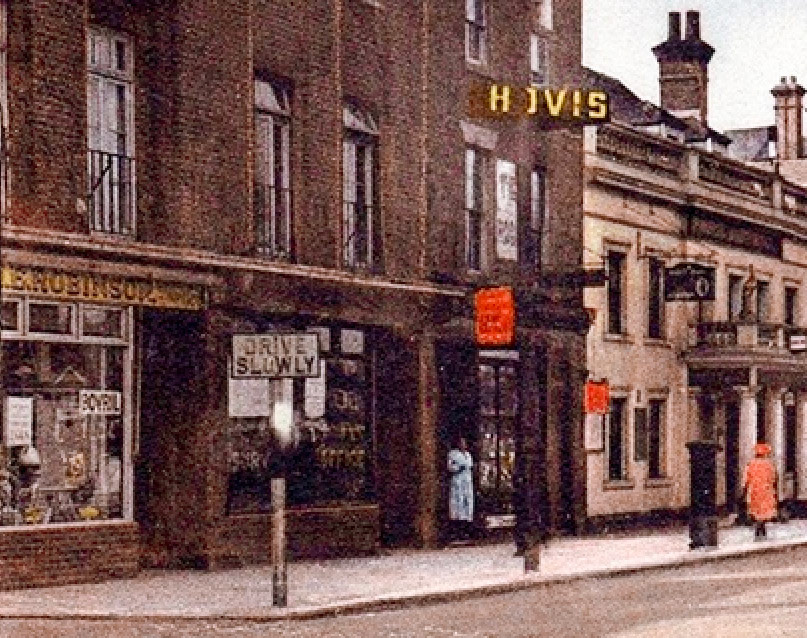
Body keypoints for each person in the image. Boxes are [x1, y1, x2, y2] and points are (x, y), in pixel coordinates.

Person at [742, 442, 778, 541]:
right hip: (766, 491)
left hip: (755, 491)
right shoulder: (769, 465)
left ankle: (759, 532)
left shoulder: (751, 464)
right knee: (764, 512)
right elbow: (774, 479)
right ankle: (761, 531)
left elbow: (746, 479)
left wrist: (744, 492)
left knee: (757, 512)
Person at [447, 436, 474, 542]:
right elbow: (449, 467)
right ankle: (456, 533)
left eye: (464, 443)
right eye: (461, 443)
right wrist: (457, 468)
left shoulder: (468, 455)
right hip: (458, 482)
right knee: (457, 507)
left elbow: (470, 466)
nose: (463, 445)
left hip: (467, 482)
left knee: (467, 506)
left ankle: (466, 532)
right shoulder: (453, 454)